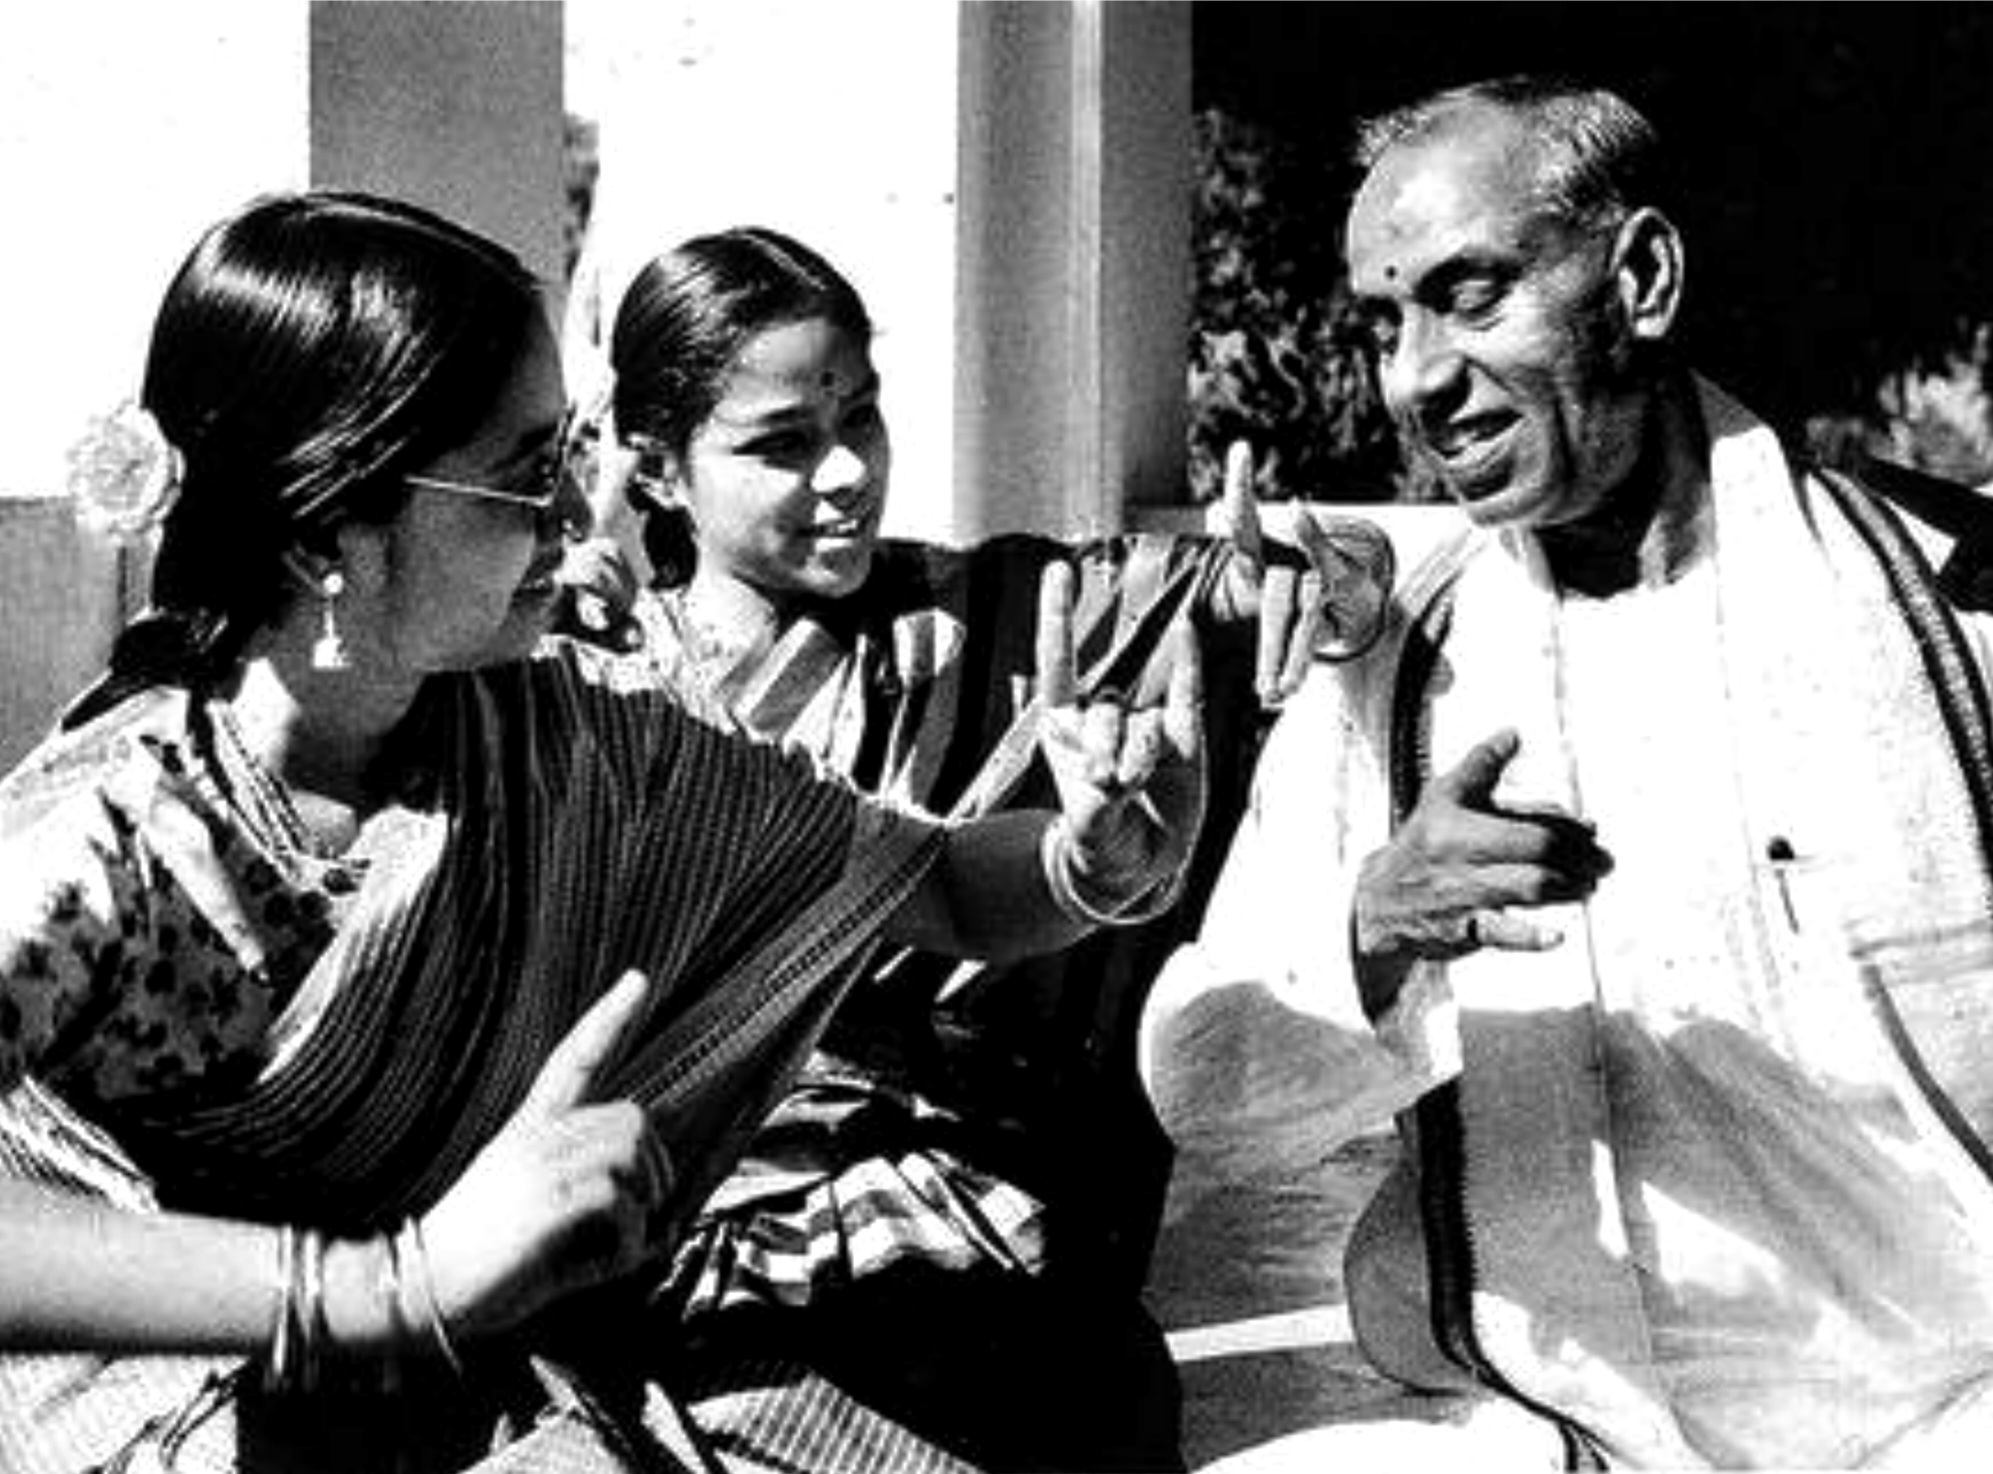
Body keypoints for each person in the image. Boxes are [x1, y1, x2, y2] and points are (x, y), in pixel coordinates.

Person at [0, 190, 1207, 1474]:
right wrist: (385, 1287)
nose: (581, 524)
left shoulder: (565, 745)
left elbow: (946, 888)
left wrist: (1095, 858)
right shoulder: (115, 834)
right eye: (525, 478)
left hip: (472, 1394)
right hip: (175, 1423)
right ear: (326, 535)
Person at [1139, 74, 1993, 1470]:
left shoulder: (1946, 619)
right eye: (1381, 322)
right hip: (1559, 1430)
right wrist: (1372, 931)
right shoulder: (1399, 662)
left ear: (1641, 277)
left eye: (1470, 295)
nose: (1412, 374)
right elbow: (1211, 1099)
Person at [567, 225, 1394, 1472]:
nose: (846, 472)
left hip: (977, 1225)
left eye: (864, 418)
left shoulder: (1000, 616)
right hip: (672, 1235)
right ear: (661, 469)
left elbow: (1234, 590)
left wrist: (1319, 581)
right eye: (782, 443)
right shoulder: (580, 690)